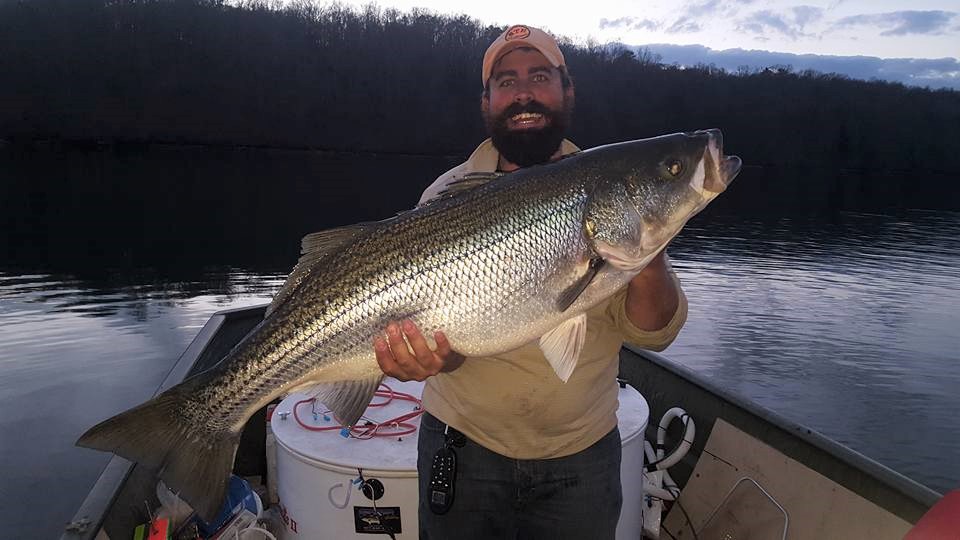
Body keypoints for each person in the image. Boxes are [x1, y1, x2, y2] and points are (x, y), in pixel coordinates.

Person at [372, 24, 688, 539]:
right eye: (507, 81)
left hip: (582, 457)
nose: (523, 93)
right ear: (487, 101)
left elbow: (654, 332)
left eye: (539, 76)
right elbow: (448, 351)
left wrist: (647, 249)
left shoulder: (609, 187)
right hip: (463, 446)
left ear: (567, 90)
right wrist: (430, 358)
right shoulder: (446, 196)